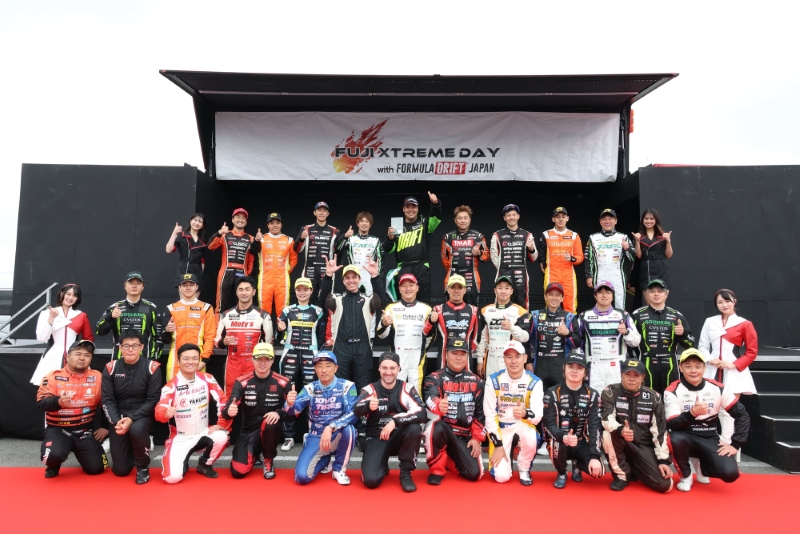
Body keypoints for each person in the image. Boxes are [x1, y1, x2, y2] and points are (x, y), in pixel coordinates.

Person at [664, 348, 749, 491]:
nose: (693, 371)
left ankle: (701, 467)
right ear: (680, 368)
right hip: (685, 436)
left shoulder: (718, 388)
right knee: (673, 438)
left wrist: (735, 444)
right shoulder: (672, 390)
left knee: (730, 474)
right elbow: (673, 424)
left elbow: (742, 415)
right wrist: (692, 413)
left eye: (698, 366)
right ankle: (686, 476)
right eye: (688, 366)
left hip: (709, 436)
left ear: (704, 368)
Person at [155, 343, 230, 483]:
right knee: (172, 478)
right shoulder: (170, 386)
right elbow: (159, 410)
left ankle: (204, 464)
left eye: (195, 358)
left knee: (222, 436)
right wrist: (165, 412)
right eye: (186, 358)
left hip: (203, 433)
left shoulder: (208, 378)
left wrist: (221, 424)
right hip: (181, 438)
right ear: (178, 361)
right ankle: (176, 455)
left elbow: (223, 401)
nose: (191, 362)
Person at [354, 352, 426, 492]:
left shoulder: (407, 388)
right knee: (371, 481)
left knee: (414, 428)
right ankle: (381, 464)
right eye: (384, 368)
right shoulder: (369, 389)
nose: (388, 372)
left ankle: (405, 472)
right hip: (376, 438)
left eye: (392, 368)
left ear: (399, 369)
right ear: (379, 368)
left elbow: (421, 412)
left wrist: (395, 421)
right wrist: (367, 406)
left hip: (398, 438)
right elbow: (356, 409)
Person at [36, 339, 108, 477]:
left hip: (85, 431)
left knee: (97, 468)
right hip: (59, 429)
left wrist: (106, 427)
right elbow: (41, 403)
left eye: (87, 355)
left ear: (91, 359)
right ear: (67, 356)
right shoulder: (53, 377)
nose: (82, 358)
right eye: (78, 354)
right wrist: (58, 402)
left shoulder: (98, 377)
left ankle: (80, 450)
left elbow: (106, 403)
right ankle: (54, 462)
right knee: (51, 456)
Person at [285, 351, 358, 485]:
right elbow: (292, 412)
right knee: (302, 477)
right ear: (315, 369)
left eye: (328, 366)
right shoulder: (310, 388)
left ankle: (338, 469)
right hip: (316, 436)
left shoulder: (347, 386)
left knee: (350, 429)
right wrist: (289, 404)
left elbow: (354, 414)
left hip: (337, 434)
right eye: (320, 366)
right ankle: (324, 459)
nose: (324, 370)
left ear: (336, 368)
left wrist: (331, 427)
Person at [220, 343, 292, 480]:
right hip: (248, 432)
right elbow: (226, 410)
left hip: (270, 429)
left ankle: (268, 460)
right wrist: (229, 411)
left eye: (267, 359)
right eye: (259, 359)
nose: (262, 363)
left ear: (272, 360)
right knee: (238, 472)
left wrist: (281, 411)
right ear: (252, 360)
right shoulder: (242, 381)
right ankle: (254, 453)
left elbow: (295, 413)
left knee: (271, 422)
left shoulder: (283, 382)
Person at [601, 358, 673, 493]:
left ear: (643, 377)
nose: (631, 379)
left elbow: (660, 431)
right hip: (621, 442)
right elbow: (606, 418)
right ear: (621, 374)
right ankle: (621, 475)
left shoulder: (654, 397)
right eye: (628, 374)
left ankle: (636, 468)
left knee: (665, 486)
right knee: (607, 434)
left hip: (644, 446)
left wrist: (663, 460)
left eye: (636, 375)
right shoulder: (610, 392)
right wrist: (620, 430)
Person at [101, 331, 163, 484]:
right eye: (126, 346)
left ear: (141, 347)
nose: (130, 349)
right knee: (121, 471)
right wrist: (116, 421)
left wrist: (132, 418)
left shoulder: (152, 367)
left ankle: (143, 465)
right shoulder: (110, 367)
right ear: (120, 347)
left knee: (136, 429)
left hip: (142, 414)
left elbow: (153, 400)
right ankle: (131, 444)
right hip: (118, 416)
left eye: (134, 346)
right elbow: (107, 400)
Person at [319, 256, 386, 395]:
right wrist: (328, 275)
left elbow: (381, 299)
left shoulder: (368, 299)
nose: (351, 280)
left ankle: (363, 409)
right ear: (343, 281)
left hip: (363, 347)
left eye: (354, 277)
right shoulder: (336, 299)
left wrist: (375, 276)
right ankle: (341, 408)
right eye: (347, 278)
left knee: (364, 386)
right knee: (340, 386)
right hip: (341, 347)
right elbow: (322, 299)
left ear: (359, 279)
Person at [423, 338, 486, 485]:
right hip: (443, 432)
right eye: (454, 353)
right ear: (446, 354)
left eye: (462, 354)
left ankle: (447, 459)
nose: (458, 358)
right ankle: (437, 470)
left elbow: (481, 413)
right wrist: (439, 405)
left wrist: (476, 438)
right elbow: (430, 397)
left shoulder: (477, 382)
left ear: (467, 356)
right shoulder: (434, 378)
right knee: (435, 426)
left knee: (474, 474)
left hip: (464, 436)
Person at [484, 340, 543, 486]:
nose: (513, 361)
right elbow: (489, 416)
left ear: (525, 358)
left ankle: (524, 468)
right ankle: (507, 450)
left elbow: (537, 416)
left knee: (532, 437)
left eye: (517, 356)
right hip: (501, 428)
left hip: (522, 425)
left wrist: (525, 413)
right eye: (509, 357)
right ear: (503, 359)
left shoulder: (535, 382)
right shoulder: (493, 380)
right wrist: (498, 445)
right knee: (501, 478)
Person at [542, 353, 605, 489]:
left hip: (582, 440)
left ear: (585, 372)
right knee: (555, 443)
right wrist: (563, 437)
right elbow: (548, 425)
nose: (574, 371)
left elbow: (595, 426)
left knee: (598, 473)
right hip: (561, 441)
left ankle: (577, 464)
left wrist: (595, 456)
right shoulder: (552, 393)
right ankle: (562, 473)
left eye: (579, 368)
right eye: (571, 367)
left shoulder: (593, 394)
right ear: (564, 369)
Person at [276, 277, 325, 450]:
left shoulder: (318, 311)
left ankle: (311, 433)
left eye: (305, 289)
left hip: (311, 356)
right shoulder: (287, 310)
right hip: (290, 354)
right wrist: (279, 330)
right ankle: (288, 436)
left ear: (311, 291)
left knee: (312, 395)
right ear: (295, 291)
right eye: (299, 289)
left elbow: (321, 337)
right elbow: (278, 335)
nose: (302, 292)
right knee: (289, 395)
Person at [571, 280, 641, 391]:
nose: (604, 295)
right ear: (595, 295)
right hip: (593, 367)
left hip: (617, 366)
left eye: (608, 292)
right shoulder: (584, 317)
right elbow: (577, 344)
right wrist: (581, 366)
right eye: (601, 292)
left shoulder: (623, 316)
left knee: (616, 398)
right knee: (594, 399)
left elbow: (636, 341)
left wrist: (626, 332)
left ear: (612, 296)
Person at [631, 279, 695, 394]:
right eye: (652, 291)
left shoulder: (676, 316)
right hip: (647, 362)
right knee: (646, 398)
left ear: (666, 294)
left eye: (660, 291)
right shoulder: (637, 315)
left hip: (669, 364)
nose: (656, 294)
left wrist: (683, 334)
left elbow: (690, 344)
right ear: (647, 294)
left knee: (671, 396)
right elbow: (629, 343)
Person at [377, 273, 434, 395]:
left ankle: (416, 407)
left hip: (417, 356)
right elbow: (381, 335)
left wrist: (422, 350)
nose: (408, 288)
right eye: (404, 286)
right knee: (395, 388)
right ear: (399, 289)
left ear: (417, 288)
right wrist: (384, 324)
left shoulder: (427, 309)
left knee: (417, 390)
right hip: (397, 356)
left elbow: (431, 336)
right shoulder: (391, 308)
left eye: (411, 285)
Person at [216, 276, 273, 393]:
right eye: (240, 289)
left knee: (254, 396)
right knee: (231, 396)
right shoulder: (225, 315)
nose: (244, 293)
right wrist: (224, 342)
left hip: (254, 363)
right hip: (232, 363)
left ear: (254, 292)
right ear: (236, 292)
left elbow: (268, 344)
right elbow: (217, 341)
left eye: (247, 289)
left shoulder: (263, 316)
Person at [698, 288, 758, 398]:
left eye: (727, 301)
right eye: (720, 302)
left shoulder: (745, 323)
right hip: (712, 367)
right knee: (709, 402)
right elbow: (702, 346)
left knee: (732, 405)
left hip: (733, 369)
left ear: (734, 301)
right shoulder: (710, 321)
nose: (724, 305)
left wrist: (733, 365)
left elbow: (752, 352)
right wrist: (710, 359)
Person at [384, 192, 442, 303]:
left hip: (422, 269)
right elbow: (389, 250)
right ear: (403, 209)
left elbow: (436, 219)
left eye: (413, 207)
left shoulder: (424, 223)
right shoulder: (397, 225)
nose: (411, 210)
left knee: (424, 302)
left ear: (418, 209)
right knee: (404, 302)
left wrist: (436, 204)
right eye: (408, 207)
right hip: (403, 268)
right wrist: (390, 239)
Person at [32, 283, 94, 386]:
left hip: (75, 357)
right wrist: (51, 317)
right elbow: (42, 338)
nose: (71, 298)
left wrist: (82, 354)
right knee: (50, 388)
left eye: (75, 295)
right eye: (68, 294)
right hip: (52, 356)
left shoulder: (81, 315)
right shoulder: (46, 313)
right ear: (62, 294)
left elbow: (88, 338)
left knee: (75, 387)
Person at [160, 273, 216, 382]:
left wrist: (204, 360)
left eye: (191, 284)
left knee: (197, 392)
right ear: (179, 287)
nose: (188, 288)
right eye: (185, 285)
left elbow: (210, 336)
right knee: (173, 390)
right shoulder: (171, 308)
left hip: (197, 359)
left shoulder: (206, 308)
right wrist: (167, 331)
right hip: (175, 359)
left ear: (197, 287)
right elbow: (165, 339)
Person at [476, 276, 531, 378]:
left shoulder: (520, 311)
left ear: (511, 291)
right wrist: (480, 360)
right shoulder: (486, 310)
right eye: (500, 288)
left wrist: (511, 327)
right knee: (491, 386)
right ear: (495, 290)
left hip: (511, 358)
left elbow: (525, 337)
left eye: (506, 288)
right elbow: (483, 337)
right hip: (491, 358)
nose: (503, 291)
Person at [95, 271, 159, 360]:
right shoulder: (114, 308)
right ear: (125, 286)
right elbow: (98, 331)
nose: (134, 286)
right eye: (131, 283)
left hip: (144, 360)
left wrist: (152, 359)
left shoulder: (151, 308)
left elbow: (157, 337)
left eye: (138, 283)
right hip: (119, 360)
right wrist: (110, 317)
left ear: (143, 287)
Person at [422, 274, 480, 371]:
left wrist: (464, 353)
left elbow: (476, 339)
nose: (456, 291)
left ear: (465, 290)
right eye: (453, 287)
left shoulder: (473, 310)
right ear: (447, 289)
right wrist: (431, 321)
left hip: (466, 363)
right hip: (443, 362)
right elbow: (425, 334)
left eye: (459, 287)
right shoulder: (438, 309)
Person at [207, 208, 256, 314]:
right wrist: (219, 232)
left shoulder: (251, 238)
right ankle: (219, 325)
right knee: (221, 304)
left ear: (246, 221)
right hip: (225, 273)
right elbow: (211, 246)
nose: (240, 220)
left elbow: (251, 260)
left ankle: (241, 324)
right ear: (232, 219)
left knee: (243, 303)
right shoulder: (225, 234)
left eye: (243, 218)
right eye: (238, 217)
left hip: (242, 273)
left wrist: (248, 276)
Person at [529, 282, 576, 390]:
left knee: (561, 397)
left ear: (562, 298)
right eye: (551, 294)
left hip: (560, 366)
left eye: (558, 295)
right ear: (545, 296)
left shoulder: (569, 317)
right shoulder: (535, 315)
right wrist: (528, 362)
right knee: (539, 397)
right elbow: (525, 339)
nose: (554, 298)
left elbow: (577, 343)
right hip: (540, 365)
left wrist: (568, 333)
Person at [251, 212, 298, 321]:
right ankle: (265, 332)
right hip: (265, 280)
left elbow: (294, 259)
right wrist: (256, 241)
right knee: (264, 310)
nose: (275, 225)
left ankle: (282, 332)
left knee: (283, 310)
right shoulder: (261, 239)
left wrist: (285, 272)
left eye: (278, 223)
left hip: (282, 281)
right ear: (268, 225)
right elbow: (252, 252)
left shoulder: (289, 240)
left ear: (281, 224)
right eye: (272, 223)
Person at [585, 208, 634, 310]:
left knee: (620, 303)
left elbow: (633, 258)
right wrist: (589, 276)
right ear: (600, 221)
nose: (607, 221)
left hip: (618, 275)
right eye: (604, 219)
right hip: (600, 274)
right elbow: (588, 259)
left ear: (615, 221)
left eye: (610, 219)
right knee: (601, 300)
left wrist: (627, 249)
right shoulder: (593, 237)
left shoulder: (623, 237)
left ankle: (620, 320)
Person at [490, 203, 538, 309]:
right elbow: (494, 257)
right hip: (503, 273)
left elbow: (534, 258)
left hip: (521, 275)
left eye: (514, 215)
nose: (511, 217)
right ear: (504, 218)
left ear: (518, 216)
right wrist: (503, 268)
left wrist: (531, 249)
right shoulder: (497, 235)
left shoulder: (527, 235)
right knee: (502, 303)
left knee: (522, 305)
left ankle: (523, 321)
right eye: (508, 215)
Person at [441, 205, 490, 306]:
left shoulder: (478, 237)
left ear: (469, 220)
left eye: (465, 218)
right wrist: (451, 269)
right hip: (452, 275)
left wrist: (479, 253)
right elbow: (444, 258)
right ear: (455, 220)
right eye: (460, 218)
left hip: (472, 278)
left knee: (472, 308)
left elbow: (487, 256)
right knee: (450, 306)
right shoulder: (447, 237)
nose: (463, 221)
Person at [538, 207, 584, 313]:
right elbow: (541, 255)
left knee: (570, 305)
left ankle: (571, 324)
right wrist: (541, 263)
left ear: (567, 218)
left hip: (568, 275)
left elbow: (580, 257)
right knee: (550, 303)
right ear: (553, 219)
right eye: (558, 217)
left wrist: (572, 258)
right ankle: (550, 323)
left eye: (563, 216)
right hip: (552, 273)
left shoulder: (574, 235)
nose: (561, 219)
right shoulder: (546, 234)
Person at [294, 201, 338, 305]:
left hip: (326, 273)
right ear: (314, 212)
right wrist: (301, 239)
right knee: (307, 302)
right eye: (319, 210)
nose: (322, 213)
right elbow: (296, 249)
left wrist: (344, 238)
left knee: (327, 302)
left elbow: (338, 251)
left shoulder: (334, 231)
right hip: (309, 272)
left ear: (328, 213)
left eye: (324, 211)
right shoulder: (306, 229)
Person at [335, 211, 383, 296]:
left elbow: (381, 260)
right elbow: (337, 248)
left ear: (370, 224)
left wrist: (377, 278)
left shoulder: (375, 240)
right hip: (353, 277)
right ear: (358, 223)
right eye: (362, 221)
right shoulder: (351, 239)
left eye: (367, 221)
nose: (364, 224)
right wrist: (344, 236)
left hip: (369, 277)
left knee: (371, 301)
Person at [632, 209, 673, 306]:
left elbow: (669, 255)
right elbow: (638, 255)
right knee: (650, 304)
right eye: (646, 218)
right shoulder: (639, 236)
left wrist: (668, 241)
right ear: (643, 220)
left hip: (661, 269)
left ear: (656, 220)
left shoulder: (663, 235)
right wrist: (637, 241)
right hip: (646, 270)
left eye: (651, 219)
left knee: (660, 303)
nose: (649, 221)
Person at [165, 213, 207, 287]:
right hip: (184, 269)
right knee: (183, 293)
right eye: (195, 220)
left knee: (196, 294)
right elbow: (168, 250)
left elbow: (202, 260)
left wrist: (202, 274)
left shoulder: (202, 240)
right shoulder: (182, 236)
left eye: (200, 221)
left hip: (197, 271)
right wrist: (174, 233)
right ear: (190, 221)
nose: (197, 223)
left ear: (202, 225)